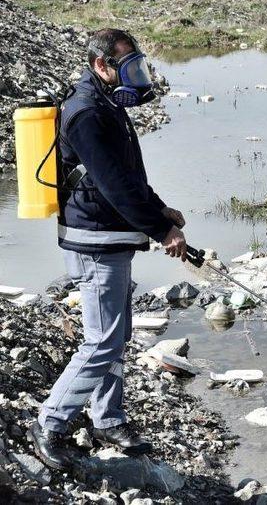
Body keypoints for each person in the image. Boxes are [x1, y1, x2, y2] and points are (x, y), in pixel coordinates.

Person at [30, 29, 188, 470]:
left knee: (115, 338)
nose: (136, 75)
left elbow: (128, 174)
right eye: (128, 65)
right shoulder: (85, 112)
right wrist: (162, 229)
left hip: (110, 236)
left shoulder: (107, 105)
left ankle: (107, 418)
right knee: (101, 341)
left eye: (138, 64)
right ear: (102, 65)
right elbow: (113, 185)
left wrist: (160, 209)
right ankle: (49, 423)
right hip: (94, 240)